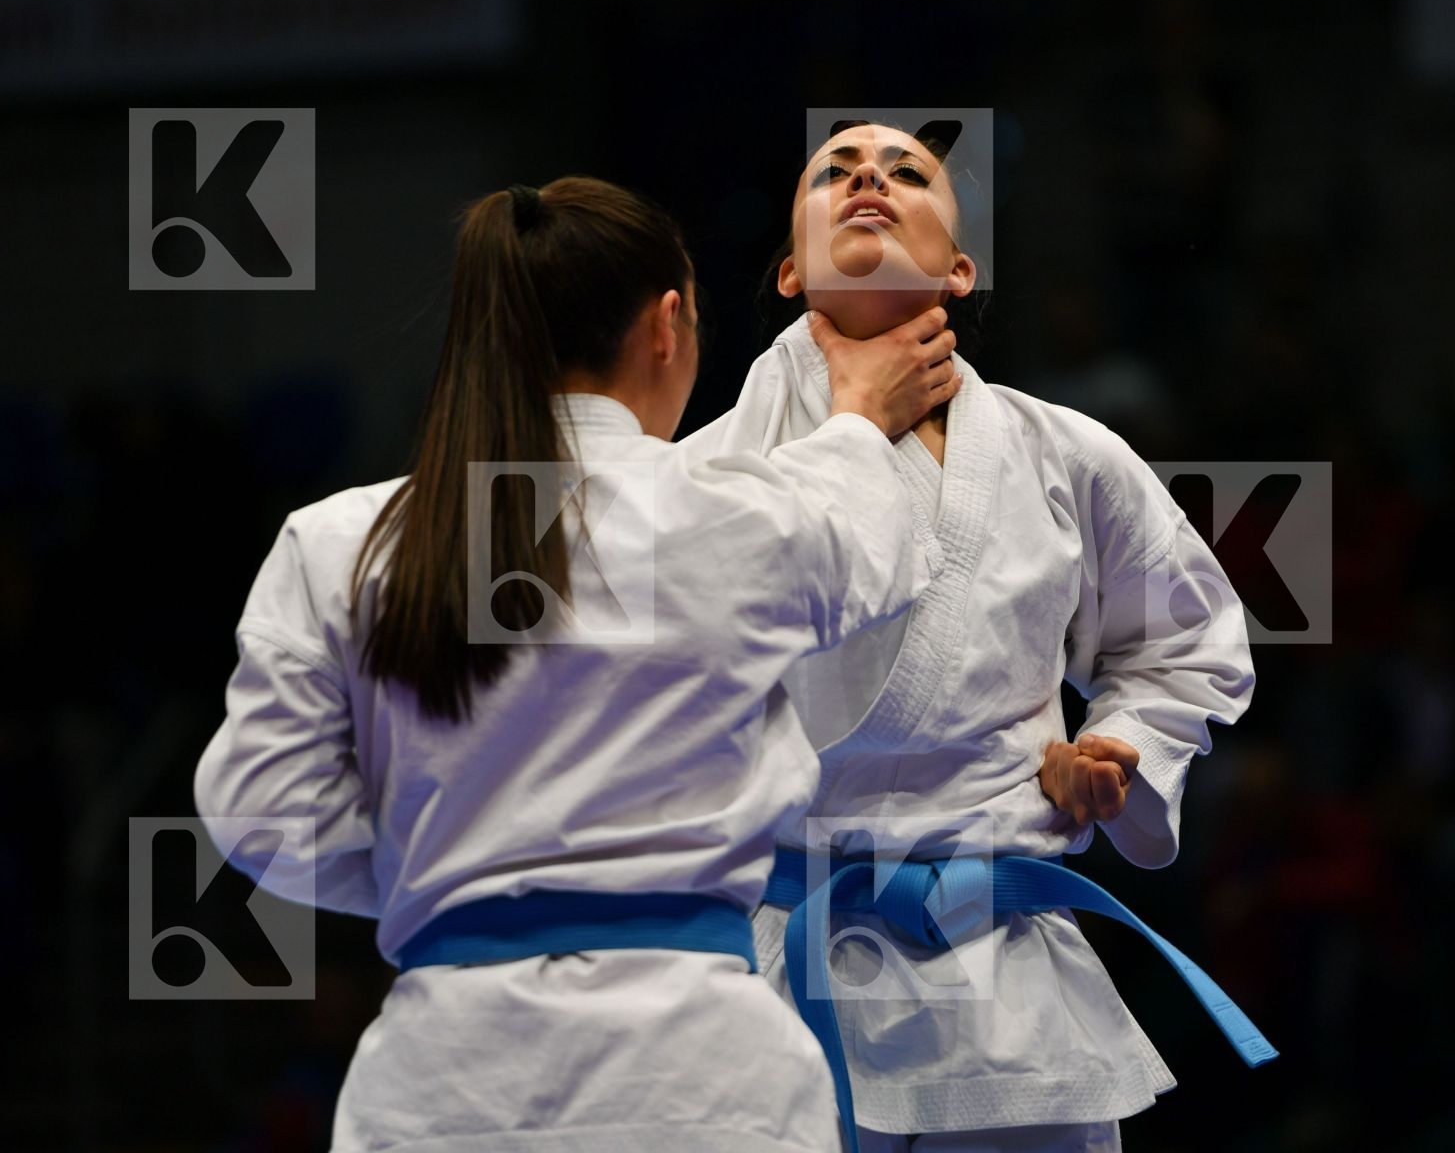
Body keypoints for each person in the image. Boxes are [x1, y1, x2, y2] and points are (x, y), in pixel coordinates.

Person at [192, 175, 962, 1153]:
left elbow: (259, 809)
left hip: (444, 1078)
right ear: (666, 324)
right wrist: (858, 414)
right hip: (700, 1078)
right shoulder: (741, 514)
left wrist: (459, 855)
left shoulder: (339, 541)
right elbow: (876, 539)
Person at [682, 122, 1274, 1152]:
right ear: (788, 272)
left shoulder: (1067, 454)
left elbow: (1183, 641)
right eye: (835, 171)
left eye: (907, 171)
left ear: (959, 270)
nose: (867, 176)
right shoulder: (700, 476)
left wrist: (1121, 750)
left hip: (999, 971)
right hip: (770, 970)